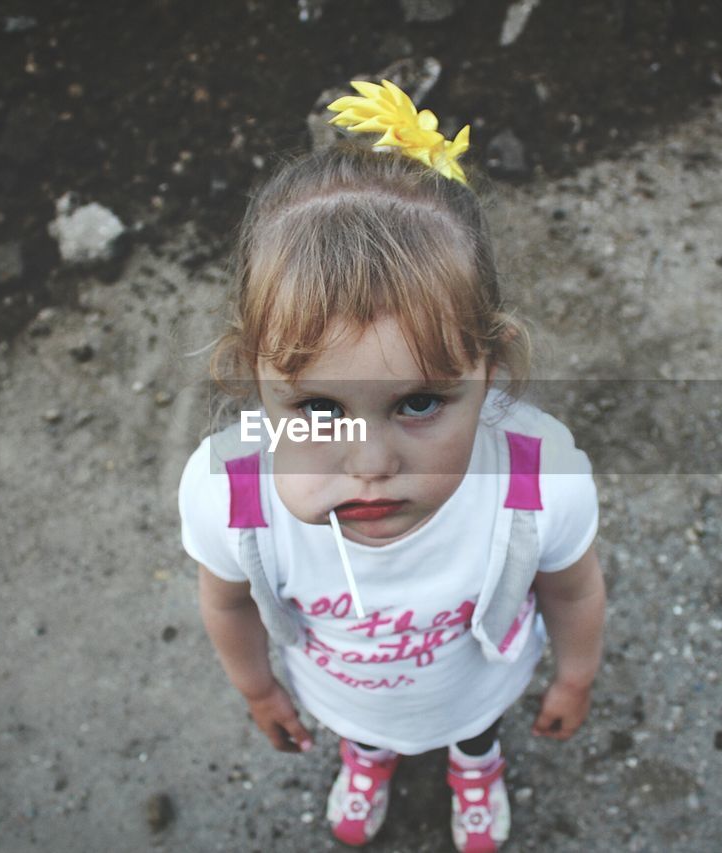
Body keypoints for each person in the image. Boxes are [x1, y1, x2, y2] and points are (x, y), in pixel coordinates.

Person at [178, 79, 606, 852]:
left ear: (491, 369)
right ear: (252, 376)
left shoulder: (541, 481)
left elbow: (572, 584)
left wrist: (574, 674)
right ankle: (368, 752)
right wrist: (259, 686)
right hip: (340, 694)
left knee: (473, 727)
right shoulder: (229, 493)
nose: (369, 463)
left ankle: (475, 765)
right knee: (367, 731)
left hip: (478, 687)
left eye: (417, 402)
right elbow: (228, 604)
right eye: (315, 407)